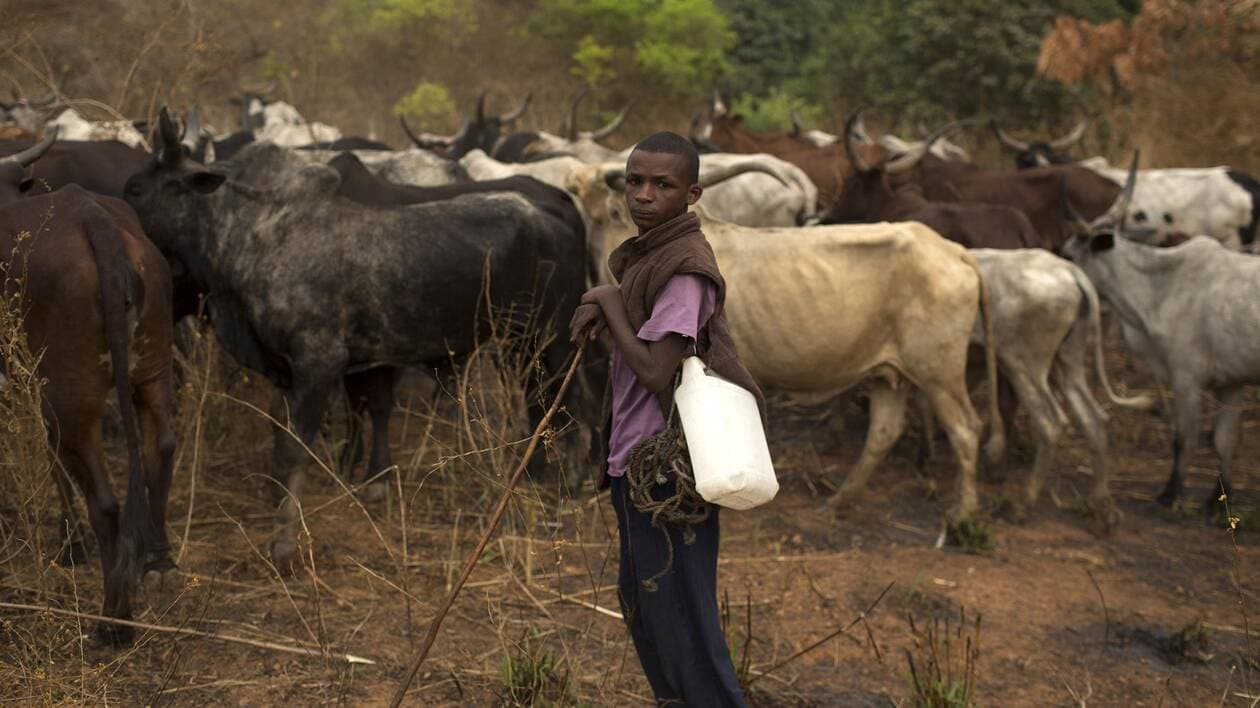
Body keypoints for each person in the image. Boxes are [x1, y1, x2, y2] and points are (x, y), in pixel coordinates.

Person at [569, 131, 765, 707]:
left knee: (683, 618)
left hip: (667, 469)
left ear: (692, 194)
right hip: (633, 459)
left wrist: (607, 300)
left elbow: (657, 371)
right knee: (645, 602)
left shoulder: (684, 270)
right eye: (635, 182)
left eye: (662, 185)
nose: (644, 195)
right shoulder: (650, 256)